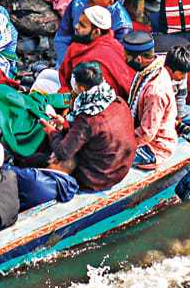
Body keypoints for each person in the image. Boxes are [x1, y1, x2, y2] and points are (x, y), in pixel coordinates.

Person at [42, 60, 138, 192]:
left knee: (40, 158)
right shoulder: (118, 101)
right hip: (120, 168)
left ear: (81, 88)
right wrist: (64, 124)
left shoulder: (88, 118)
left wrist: (52, 132)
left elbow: (64, 151)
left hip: (97, 178)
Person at [52, 0, 135, 67]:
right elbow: (61, 39)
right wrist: (68, 64)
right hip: (69, 61)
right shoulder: (77, 4)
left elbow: (116, 59)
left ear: (110, 1)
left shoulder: (122, 25)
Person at [121, 28, 177, 166]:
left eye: (127, 57)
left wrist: (118, 142)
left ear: (138, 59)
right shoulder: (151, 69)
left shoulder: (155, 91)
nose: (125, 59)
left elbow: (146, 134)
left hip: (155, 147)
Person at [57, 2, 135, 96]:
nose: (76, 26)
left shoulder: (97, 62)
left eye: (82, 25)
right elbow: (65, 74)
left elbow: (94, 96)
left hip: (87, 99)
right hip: (74, 88)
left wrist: (64, 97)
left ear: (96, 32)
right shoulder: (83, 42)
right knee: (45, 74)